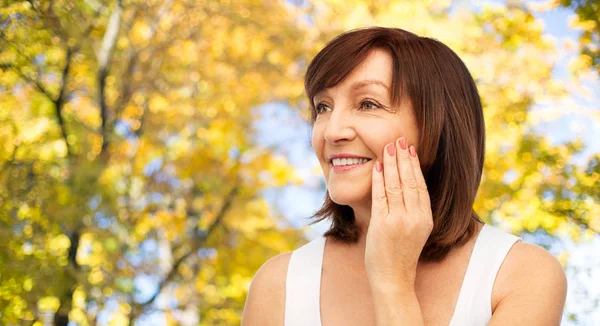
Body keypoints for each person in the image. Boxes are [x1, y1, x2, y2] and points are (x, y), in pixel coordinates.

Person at [241, 27, 567, 325]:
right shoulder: (277, 285)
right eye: (323, 107)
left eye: (367, 104)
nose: (332, 131)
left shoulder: (522, 276)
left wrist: (392, 283)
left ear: (437, 128)